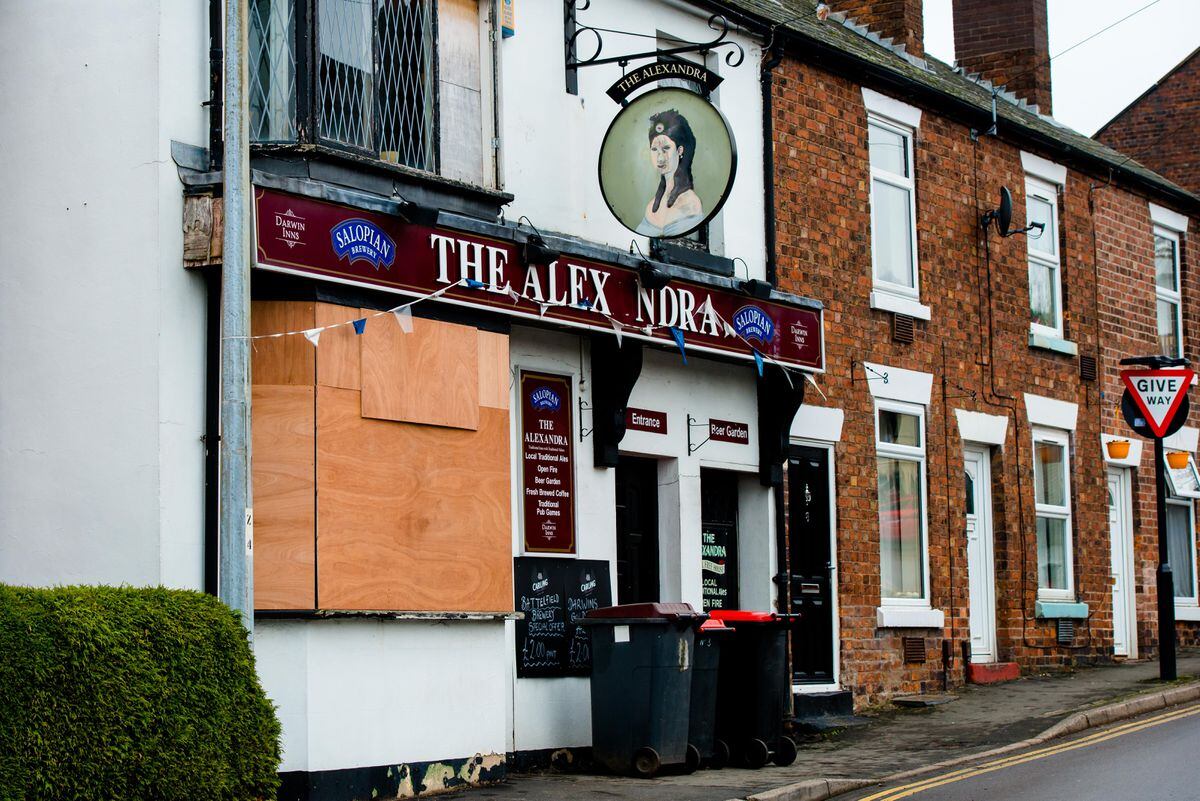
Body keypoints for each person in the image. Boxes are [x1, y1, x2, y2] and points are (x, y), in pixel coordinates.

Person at [636, 109, 705, 237]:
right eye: (654, 149)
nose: (660, 158)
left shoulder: (690, 204)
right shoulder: (652, 205)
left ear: (679, 150)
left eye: (666, 148)